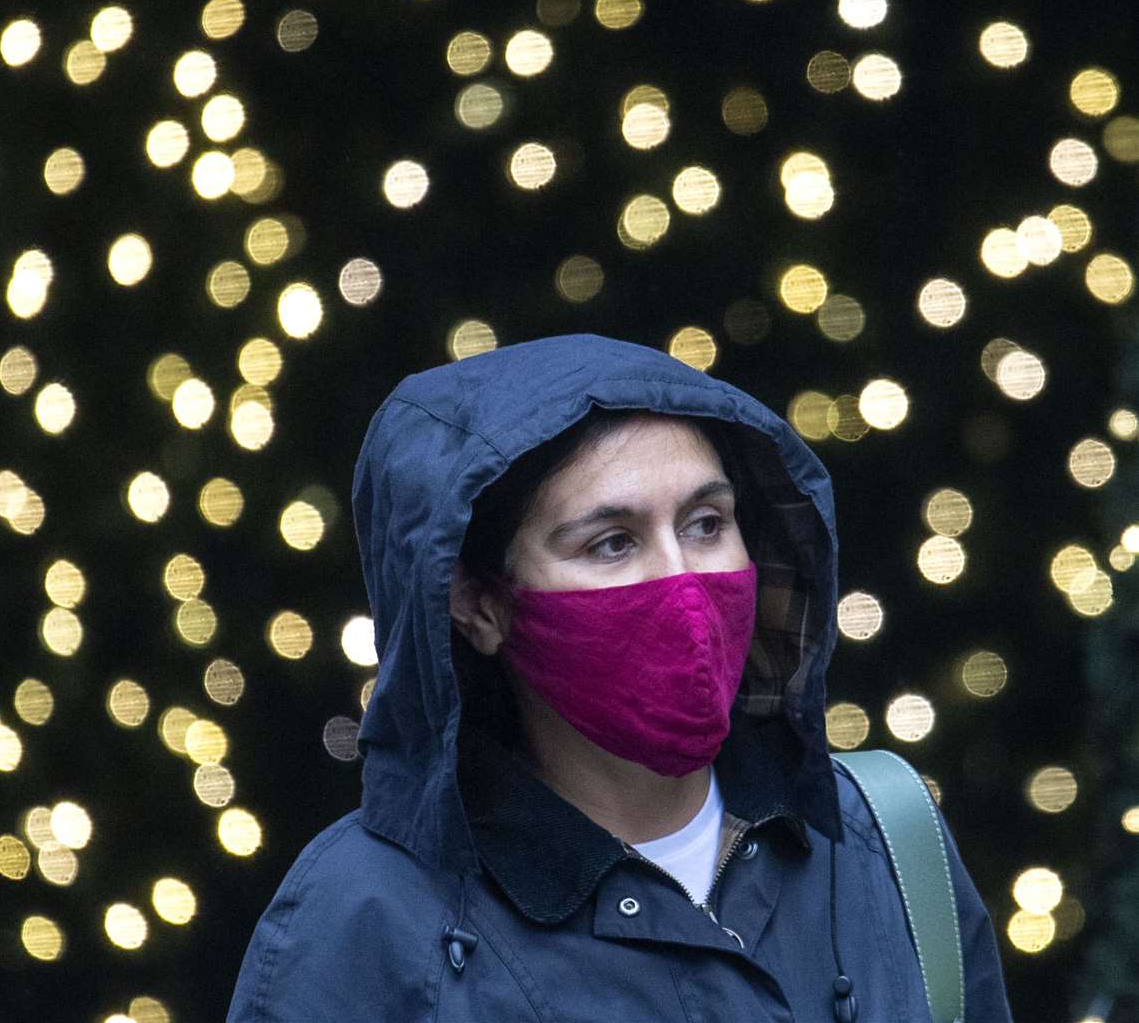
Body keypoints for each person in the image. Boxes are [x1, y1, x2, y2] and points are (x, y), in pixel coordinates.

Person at [226, 334, 1013, 1021]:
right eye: (612, 543)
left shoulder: (881, 840)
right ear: (478, 606)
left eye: (707, 524)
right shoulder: (363, 919)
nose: (681, 582)